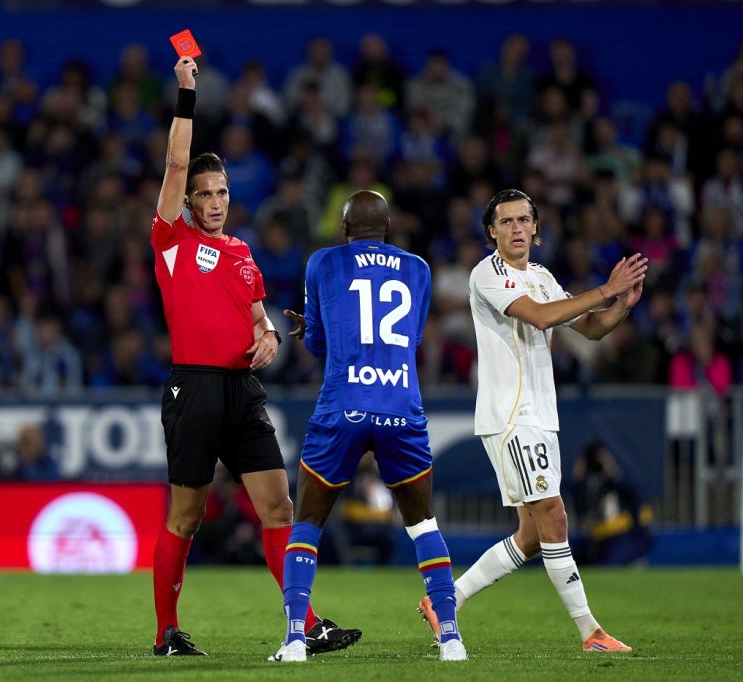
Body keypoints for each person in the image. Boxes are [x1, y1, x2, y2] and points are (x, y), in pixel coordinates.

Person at [150, 56, 359, 657]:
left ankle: (308, 623)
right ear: (187, 201)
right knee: (186, 517)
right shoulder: (171, 240)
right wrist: (187, 95)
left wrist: (269, 338)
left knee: (278, 504)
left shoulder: (242, 252)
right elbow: (174, 160)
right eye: (204, 194)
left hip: (242, 390)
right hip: (194, 388)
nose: (215, 201)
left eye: (221, 192)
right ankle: (167, 632)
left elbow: (260, 323)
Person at [417, 188, 646, 653]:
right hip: (511, 414)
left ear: (537, 228)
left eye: (525, 220)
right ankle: (591, 633)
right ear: (492, 232)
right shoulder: (487, 273)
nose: (517, 229)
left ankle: (446, 602)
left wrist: (621, 306)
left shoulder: (542, 275)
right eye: (507, 222)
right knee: (555, 516)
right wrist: (605, 289)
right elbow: (541, 319)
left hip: (541, 414)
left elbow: (590, 329)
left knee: (531, 536)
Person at [270, 190, 466, 662]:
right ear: (388, 226)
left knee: (308, 523)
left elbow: (317, 343)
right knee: (423, 524)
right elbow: (412, 338)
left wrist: (308, 332)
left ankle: (297, 637)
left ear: (343, 227)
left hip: (343, 407)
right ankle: (452, 638)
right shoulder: (419, 269)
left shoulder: (323, 262)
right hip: (401, 405)